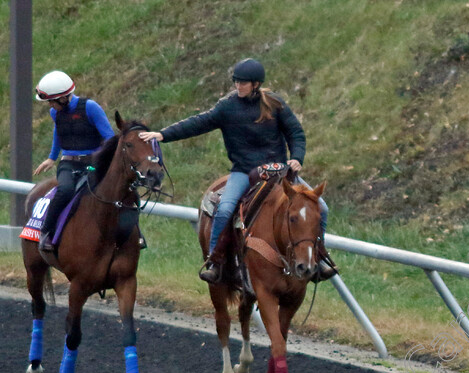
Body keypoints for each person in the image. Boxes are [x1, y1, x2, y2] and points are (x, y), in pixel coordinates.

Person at [139, 58, 333, 283]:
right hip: (244, 172)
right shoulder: (227, 107)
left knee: (322, 208)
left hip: (279, 173)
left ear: (256, 84)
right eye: (236, 82)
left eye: (243, 83)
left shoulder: (275, 104)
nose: (238, 86)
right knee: (225, 209)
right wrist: (163, 135)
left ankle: (318, 257)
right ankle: (215, 261)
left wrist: (297, 158)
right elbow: (199, 123)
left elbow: (296, 134)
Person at [33, 70, 115, 252]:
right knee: (65, 190)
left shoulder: (90, 108)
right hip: (69, 164)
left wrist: (101, 160)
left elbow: (110, 138)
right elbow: (58, 133)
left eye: (52, 101)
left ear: (63, 98)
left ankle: (134, 236)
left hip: (93, 164)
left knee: (111, 192)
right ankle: (46, 232)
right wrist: (51, 158)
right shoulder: (56, 113)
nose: (50, 106)